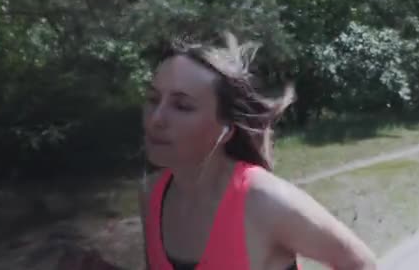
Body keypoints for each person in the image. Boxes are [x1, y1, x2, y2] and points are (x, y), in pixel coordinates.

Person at [138, 32, 378, 270]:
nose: (156, 119)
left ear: (227, 129)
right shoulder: (151, 194)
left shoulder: (264, 201)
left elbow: (361, 264)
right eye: (152, 99)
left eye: (182, 106)